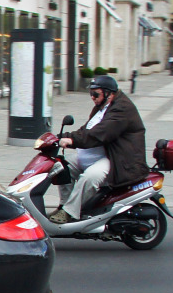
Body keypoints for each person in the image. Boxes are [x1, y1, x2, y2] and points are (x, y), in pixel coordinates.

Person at [51, 74, 149, 224]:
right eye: (91, 93)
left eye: (95, 93)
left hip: (117, 158)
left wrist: (72, 140)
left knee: (89, 178)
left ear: (109, 93)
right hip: (95, 156)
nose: (92, 97)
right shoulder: (101, 107)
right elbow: (87, 129)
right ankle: (66, 206)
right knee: (61, 168)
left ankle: (69, 212)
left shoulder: (122, 109)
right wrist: (59, 137)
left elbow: (101, 133)